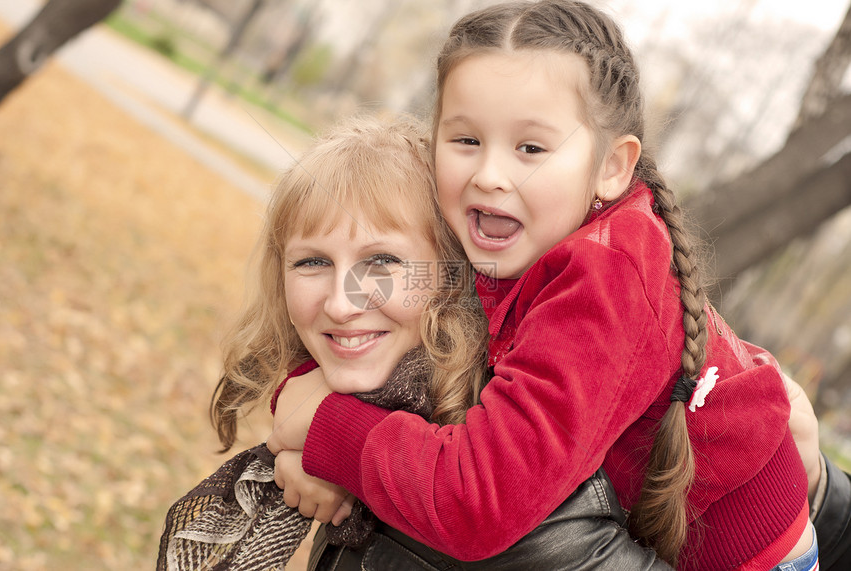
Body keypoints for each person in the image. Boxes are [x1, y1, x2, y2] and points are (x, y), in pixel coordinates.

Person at [267, 2, 832, 569]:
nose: (489, 173)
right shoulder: (503, 236)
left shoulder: (605, 277)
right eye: (465, 140)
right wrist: (305, 400)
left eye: (531, 149)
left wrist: (326, 427)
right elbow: (380, 329)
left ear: (612, 167)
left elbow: (477, 502)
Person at [159, 116, 670, 570]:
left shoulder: (500, 460)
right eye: (312, 262)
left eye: (383, 262)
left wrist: (327, 436)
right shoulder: (380, 404)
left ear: (456, 276)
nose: (341, 303)